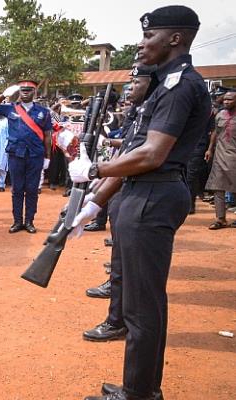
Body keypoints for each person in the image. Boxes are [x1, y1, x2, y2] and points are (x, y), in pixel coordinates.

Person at [68, 6, 210, 399]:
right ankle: (139, 387)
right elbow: (137, 155)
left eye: (150, 36)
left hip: (153, 195)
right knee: (136, 301)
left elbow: (150, 156)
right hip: (142, 193)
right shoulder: (164, 85)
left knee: (143, 306)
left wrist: (96, 170)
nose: (142, 43)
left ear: (175, 39)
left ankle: (140, 393)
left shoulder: (181, 85)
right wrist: (95, 204)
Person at [82, 64, 155, 345]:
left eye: (136, 83)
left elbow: (142, 154)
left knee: (132, 268)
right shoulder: (139, 112)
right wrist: (95, 198)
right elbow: (128, 148)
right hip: (126, 183)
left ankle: (119, 322)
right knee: (120, 258)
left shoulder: (153, 108)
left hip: (139, 187)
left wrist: (97, 173)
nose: (130, 88)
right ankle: (116, 316)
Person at [0, 80, 53, 233]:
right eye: (22, 89)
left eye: (29, 90)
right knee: (17, 189)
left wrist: (47, 157)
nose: (25, 92)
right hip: (15, 154)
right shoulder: (11, 108)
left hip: (35, 155)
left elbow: (48, 136)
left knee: (32, 189)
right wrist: (4, 95)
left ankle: (29, 221)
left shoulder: (43, 112)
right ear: (18, 91)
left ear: (34, 92)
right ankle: (17, 221)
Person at [204, 90, 236, 229]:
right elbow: (215, 132)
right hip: (220, 155)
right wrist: (210, 149)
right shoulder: (220, 115)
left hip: (234, 156)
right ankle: (220, 219)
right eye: (225, 100)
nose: (226, 102)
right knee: (218, 188)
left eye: (230, 100)